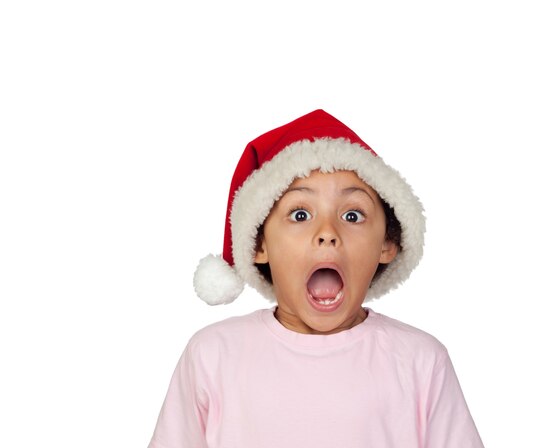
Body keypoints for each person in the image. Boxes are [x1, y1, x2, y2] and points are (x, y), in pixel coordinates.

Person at [148, 109, 484, 447]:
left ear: (387, 244)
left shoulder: (421, 362)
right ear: (259, 244)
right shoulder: (213, 355)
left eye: (352, 215)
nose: (327, 232)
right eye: (300, 214)